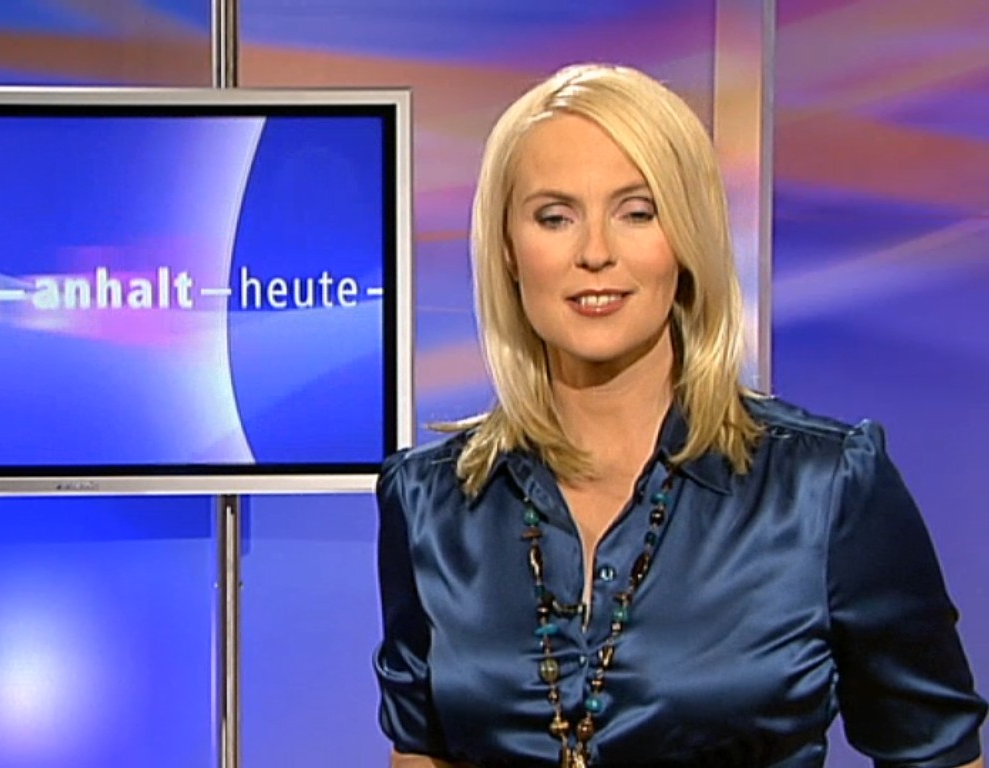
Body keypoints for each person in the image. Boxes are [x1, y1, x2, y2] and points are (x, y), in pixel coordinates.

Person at [373, 63, 986, 768]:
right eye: (555, 217)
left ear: (686, 237)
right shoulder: (430, 501)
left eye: (637, 212)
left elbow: (935, 753)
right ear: (509, 250)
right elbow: (420, 753)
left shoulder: (824, 489)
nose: (595, 253)